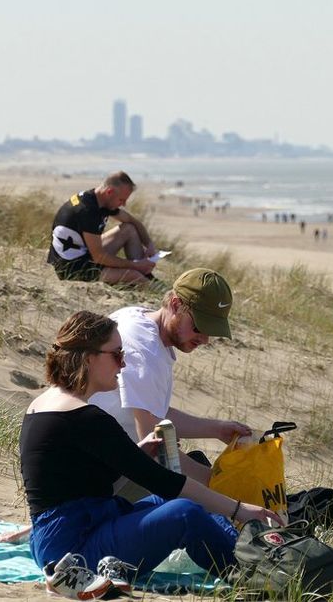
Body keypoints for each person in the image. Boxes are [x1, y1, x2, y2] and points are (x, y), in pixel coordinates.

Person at [20, 311, 283, 591]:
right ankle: (256, 574)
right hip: (73, 554)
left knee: (172, 504)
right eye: (116, 355)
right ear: (88, 358)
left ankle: (252, 548)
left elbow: (81, 486)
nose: (123, 365)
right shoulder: (85, 418)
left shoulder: (43, 404)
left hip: (56, 538)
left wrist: (136, 455)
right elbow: (165, 481)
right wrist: (240, 509)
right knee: (185, 513)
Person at [89, 268, 249, 495]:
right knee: (194, 509)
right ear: (175, 305)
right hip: (97, 480)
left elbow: (153, 411)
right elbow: (155, 447)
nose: (205, 339)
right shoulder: (145, 350)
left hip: (106, 463)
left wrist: (216, 429)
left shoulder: (137, 318)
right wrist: (216, 484)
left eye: (211, 330)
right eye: (199, 327)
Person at [47, 171, 157, 286]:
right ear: (109, 192)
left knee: (129, 229)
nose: (123, 204)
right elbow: (99, 257)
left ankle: (146, 274)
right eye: (121, 200)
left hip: (84, 253)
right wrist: (135, 265)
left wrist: (149, 244)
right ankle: (156, 288)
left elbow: (132, 221)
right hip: (70, 268)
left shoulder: (100, 200)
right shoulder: (88, 211)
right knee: (133, 275)